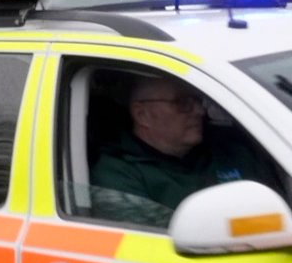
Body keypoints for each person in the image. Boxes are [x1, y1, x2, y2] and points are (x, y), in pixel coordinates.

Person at [89, 74, 277, 226]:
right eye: (183, 103)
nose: (199, 111)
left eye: (197, 101)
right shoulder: (117, 174)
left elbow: (279, 214)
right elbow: (152, 245)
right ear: (142, 115)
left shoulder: (232, 154)